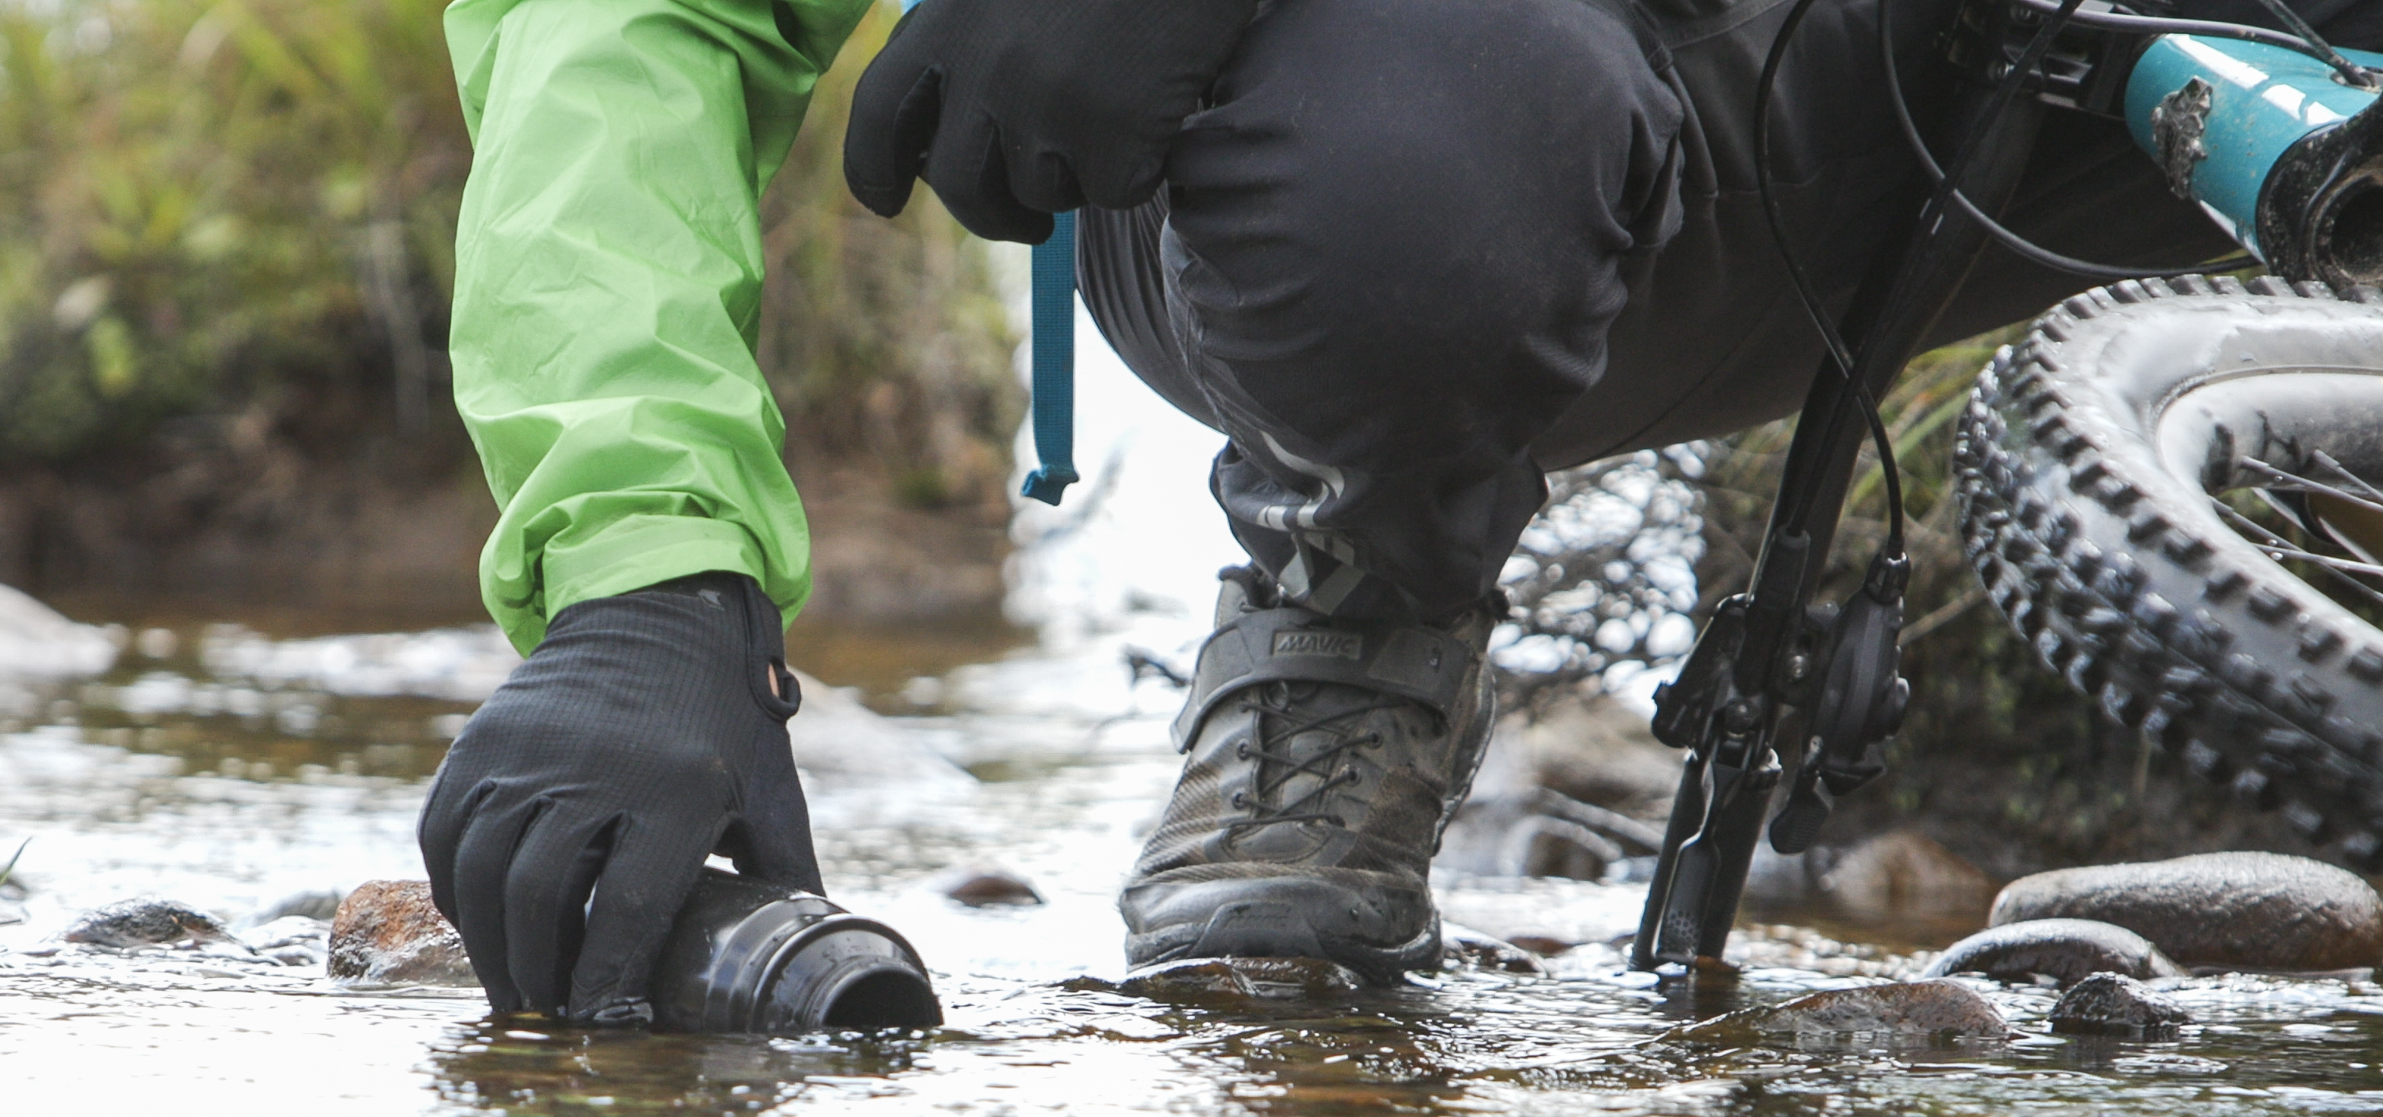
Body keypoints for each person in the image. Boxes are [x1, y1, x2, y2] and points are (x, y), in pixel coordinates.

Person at [420, 0, 2382, 1021]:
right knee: (1385, 190)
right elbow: (628, 29)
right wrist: (638, 569)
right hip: (1611, 106)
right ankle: (1369, 554)